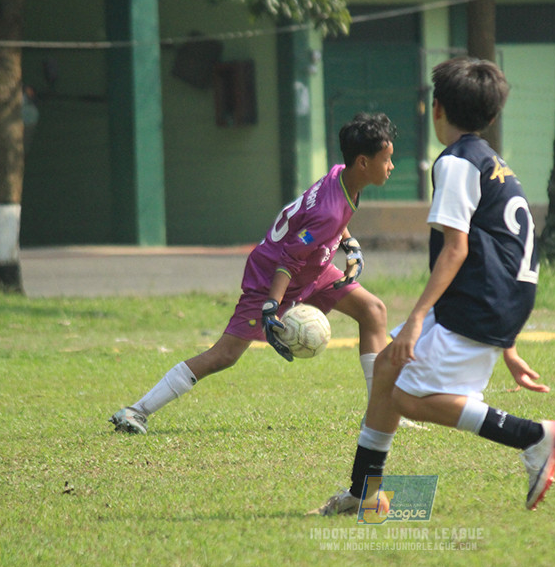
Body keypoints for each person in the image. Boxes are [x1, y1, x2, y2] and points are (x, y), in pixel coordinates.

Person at [312, 57, 555, 516]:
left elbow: (457, 248)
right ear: (491, 116)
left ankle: (533, 437)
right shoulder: (491, 162)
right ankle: (364, 493)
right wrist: (507, 344)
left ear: (437, 109)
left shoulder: (455, 163)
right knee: (388, 370)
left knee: (408, 398)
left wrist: (415, 319)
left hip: (480, 299)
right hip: (496, 296)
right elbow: (503, 246)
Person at [109, 112, 396, 435]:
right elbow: (290, 256)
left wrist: (350, 244)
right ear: (363, 162)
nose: (391, 166)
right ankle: (136, 410)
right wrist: (271, 307)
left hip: (312, 270)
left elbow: (322, 224)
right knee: (224, 355)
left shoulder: (341, 177)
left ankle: (378, 413)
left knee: (373, 311)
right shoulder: (328, 210)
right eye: (387, 159)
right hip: (272, 279)